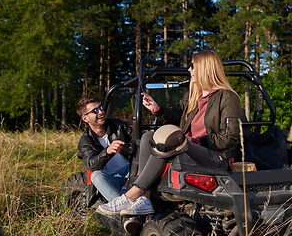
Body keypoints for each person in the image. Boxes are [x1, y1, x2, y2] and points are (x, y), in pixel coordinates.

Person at [97, 51, 244, 226]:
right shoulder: (194, 96)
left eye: (192, 66)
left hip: (215, 156)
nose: (189, 70)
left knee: (169, 140)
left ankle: (131, 195)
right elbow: (175, 116)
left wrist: (194, 142)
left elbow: (230, 138)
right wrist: (157, 109)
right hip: (185, 148)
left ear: (204, 69)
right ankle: (144, 199)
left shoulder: (227, 97)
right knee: (148, 137)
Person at [76, 96, 133, 202]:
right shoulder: (85, 141)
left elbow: (138, 139)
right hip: (113, 179)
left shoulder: (118, 125)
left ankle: (123, 204)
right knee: (96, 176)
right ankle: (121, 206)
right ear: (85, 118)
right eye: (95, 111)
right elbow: (92, 165)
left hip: (132, 172)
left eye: (101, 108)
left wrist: (127, 148)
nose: (101, 112)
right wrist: (107, 152)